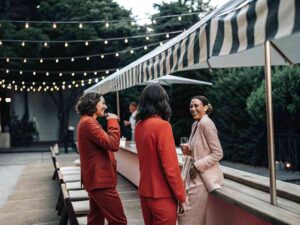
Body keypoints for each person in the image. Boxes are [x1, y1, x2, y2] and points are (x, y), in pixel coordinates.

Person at [135, 84, 187, 225]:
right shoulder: (162, 126)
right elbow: (171, 168)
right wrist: (182, 197)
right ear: (161, 102)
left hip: (145, 193)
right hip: (162, 195)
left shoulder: (139, 126)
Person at [76, 92, 127, 225]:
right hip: (101, 181)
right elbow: (113, 144)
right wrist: (113, 121)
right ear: (93, 104)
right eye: (103, 103)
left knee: (95, 220)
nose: (105, 106)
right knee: (119, 221)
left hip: (96, 180)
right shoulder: (88, 123)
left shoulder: (88, 122)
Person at [178, 95, 224, 225]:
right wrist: (189, 151)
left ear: (205, 107)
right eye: (191, 106)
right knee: (186, 216)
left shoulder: (206, 123)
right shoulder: (195, 124)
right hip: (193, 178)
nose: (192, 108)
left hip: (202, 180)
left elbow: (218, 153)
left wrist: (197, 165)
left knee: (188, 218)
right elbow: (201, 150)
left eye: (196, 105)